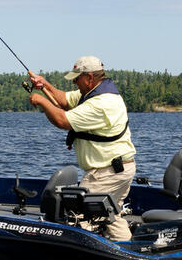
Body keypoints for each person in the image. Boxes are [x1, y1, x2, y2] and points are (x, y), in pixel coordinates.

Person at [29, 56, 136, 241]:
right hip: (120, 168)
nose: (74, 82)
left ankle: (79, 258)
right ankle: (128, 251)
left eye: (77, 78)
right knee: (111, 216)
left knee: (79, 218)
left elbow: (63, 120)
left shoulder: (101, 104)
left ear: (89, 78)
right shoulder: (94, 92)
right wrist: (44, 85)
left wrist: (41, 101)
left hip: (106, 172)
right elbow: (63, 100)